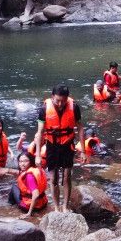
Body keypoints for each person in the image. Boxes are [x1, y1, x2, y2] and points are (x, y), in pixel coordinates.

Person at [33, 84, 85, 212]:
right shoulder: (44, 109)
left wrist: (83, 151)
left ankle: (65, 207)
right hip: (52, 145)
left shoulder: (75, 107)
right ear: (52, 97)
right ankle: (56, 208)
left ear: (68, 98)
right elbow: (40, 133)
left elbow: (80, 128)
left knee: (67, 176)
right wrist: (38, 155)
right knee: (53, 178)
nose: (61, 104)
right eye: (57, 101)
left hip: (67, 144)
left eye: (64, 100)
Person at [8, 152, 48, 218]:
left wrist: (29, 213)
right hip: (43, 203)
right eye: (20, 161)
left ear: (31, 161)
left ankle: (10, 205)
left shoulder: (29, 176)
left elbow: (36, 194)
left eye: (25, 161)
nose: (22, 164)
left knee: (14, 187)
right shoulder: (37, 169)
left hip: (30, 207)